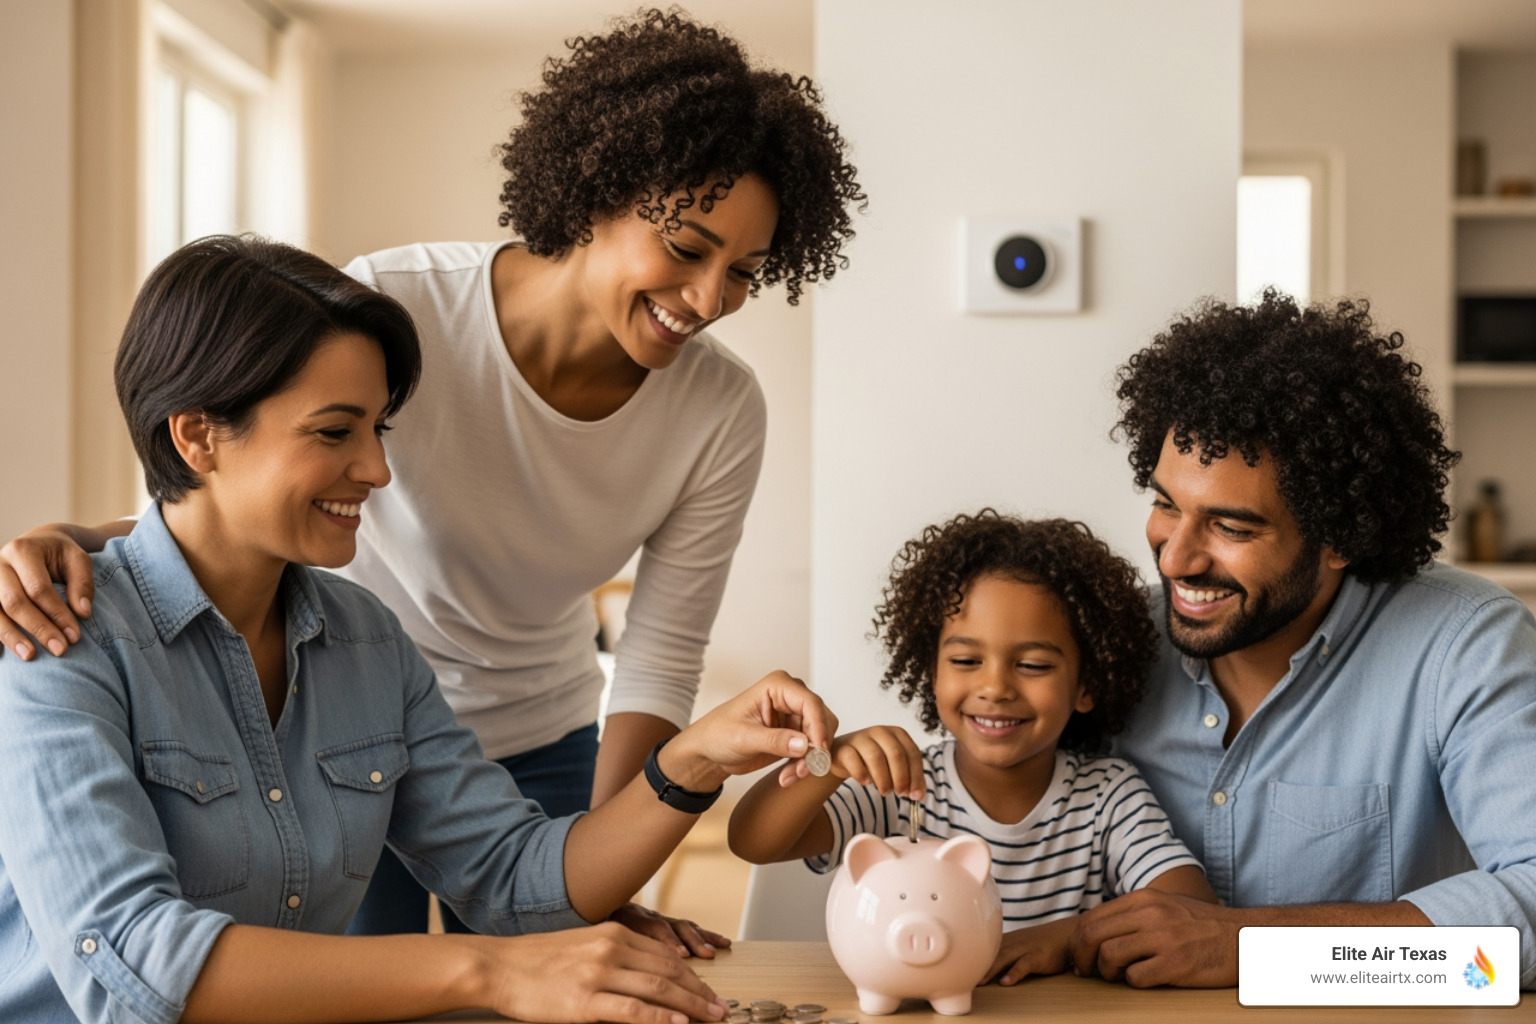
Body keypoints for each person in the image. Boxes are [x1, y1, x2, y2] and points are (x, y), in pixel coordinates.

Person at [0, 9, 864, 947]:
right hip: (330, 725)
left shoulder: (717, 411)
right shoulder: (396, 307)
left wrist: (632, 832)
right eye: (690, 248)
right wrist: (89, 546)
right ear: (595, 194)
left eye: (745, 271)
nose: (710, 300)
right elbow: (234, 480)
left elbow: (654, 662)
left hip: (492, 718)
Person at [0, 235, 838, 1024]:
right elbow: (128, 955)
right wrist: (490, 971)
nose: (377, 469)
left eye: (377, 429)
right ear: (198, 436)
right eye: (335, 432)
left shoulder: (364, 641)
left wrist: (690, 762)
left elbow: (516, 880)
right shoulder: (57, 643)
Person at [1070, 290, 1536, 990]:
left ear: (1341, 537)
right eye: (1167, 504)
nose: (1174, 559)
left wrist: (1255, 946)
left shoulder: (1467, 645)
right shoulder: (1109, 641)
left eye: (1230, 528)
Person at [727, 511, 1216, 986]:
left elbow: (1189, 908)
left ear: (1086, 685)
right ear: (931, 672)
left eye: (1033, 665)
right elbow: (753, 840)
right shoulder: (899, 784)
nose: (995, 687)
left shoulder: (1107, 795)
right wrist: (828, 762)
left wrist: (1068, 936)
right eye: (965, 659)